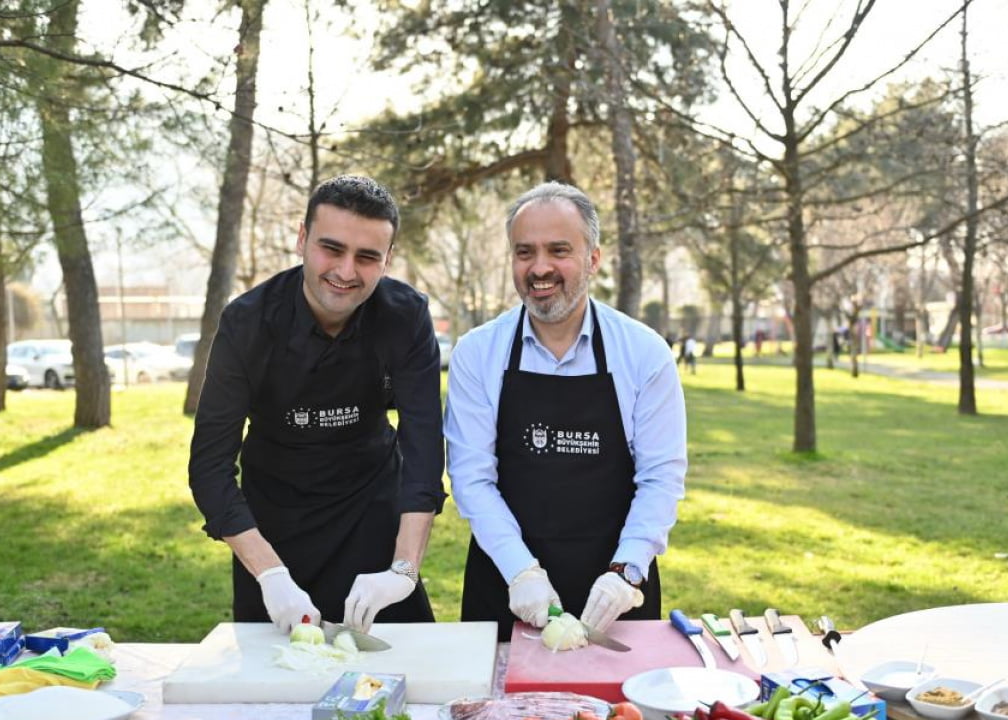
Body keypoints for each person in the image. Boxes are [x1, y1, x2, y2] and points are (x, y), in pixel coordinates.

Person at [188, 175, 446, 635]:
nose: (346, 271)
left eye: (367, 257)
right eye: (332, 248)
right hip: (272, 525)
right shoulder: (247, 322)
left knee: (408, 668)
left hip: (372, 512)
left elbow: (424, 451)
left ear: (387, 260)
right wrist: (270, 575)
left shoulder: (405, 317)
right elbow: (210, 466)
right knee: (275, 689)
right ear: (302, 239)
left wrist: (403, 570)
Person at [444, 182, 687, 641]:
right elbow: (472, 477)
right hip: (505, 586)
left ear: (593, 258)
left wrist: (627, 570)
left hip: (616, 592)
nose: (540, 268)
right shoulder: (477, 353)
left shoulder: (643, 353)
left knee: (619, 715)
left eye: (559, 250)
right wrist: (521, 572)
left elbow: (660, 477)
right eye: (524, 252)